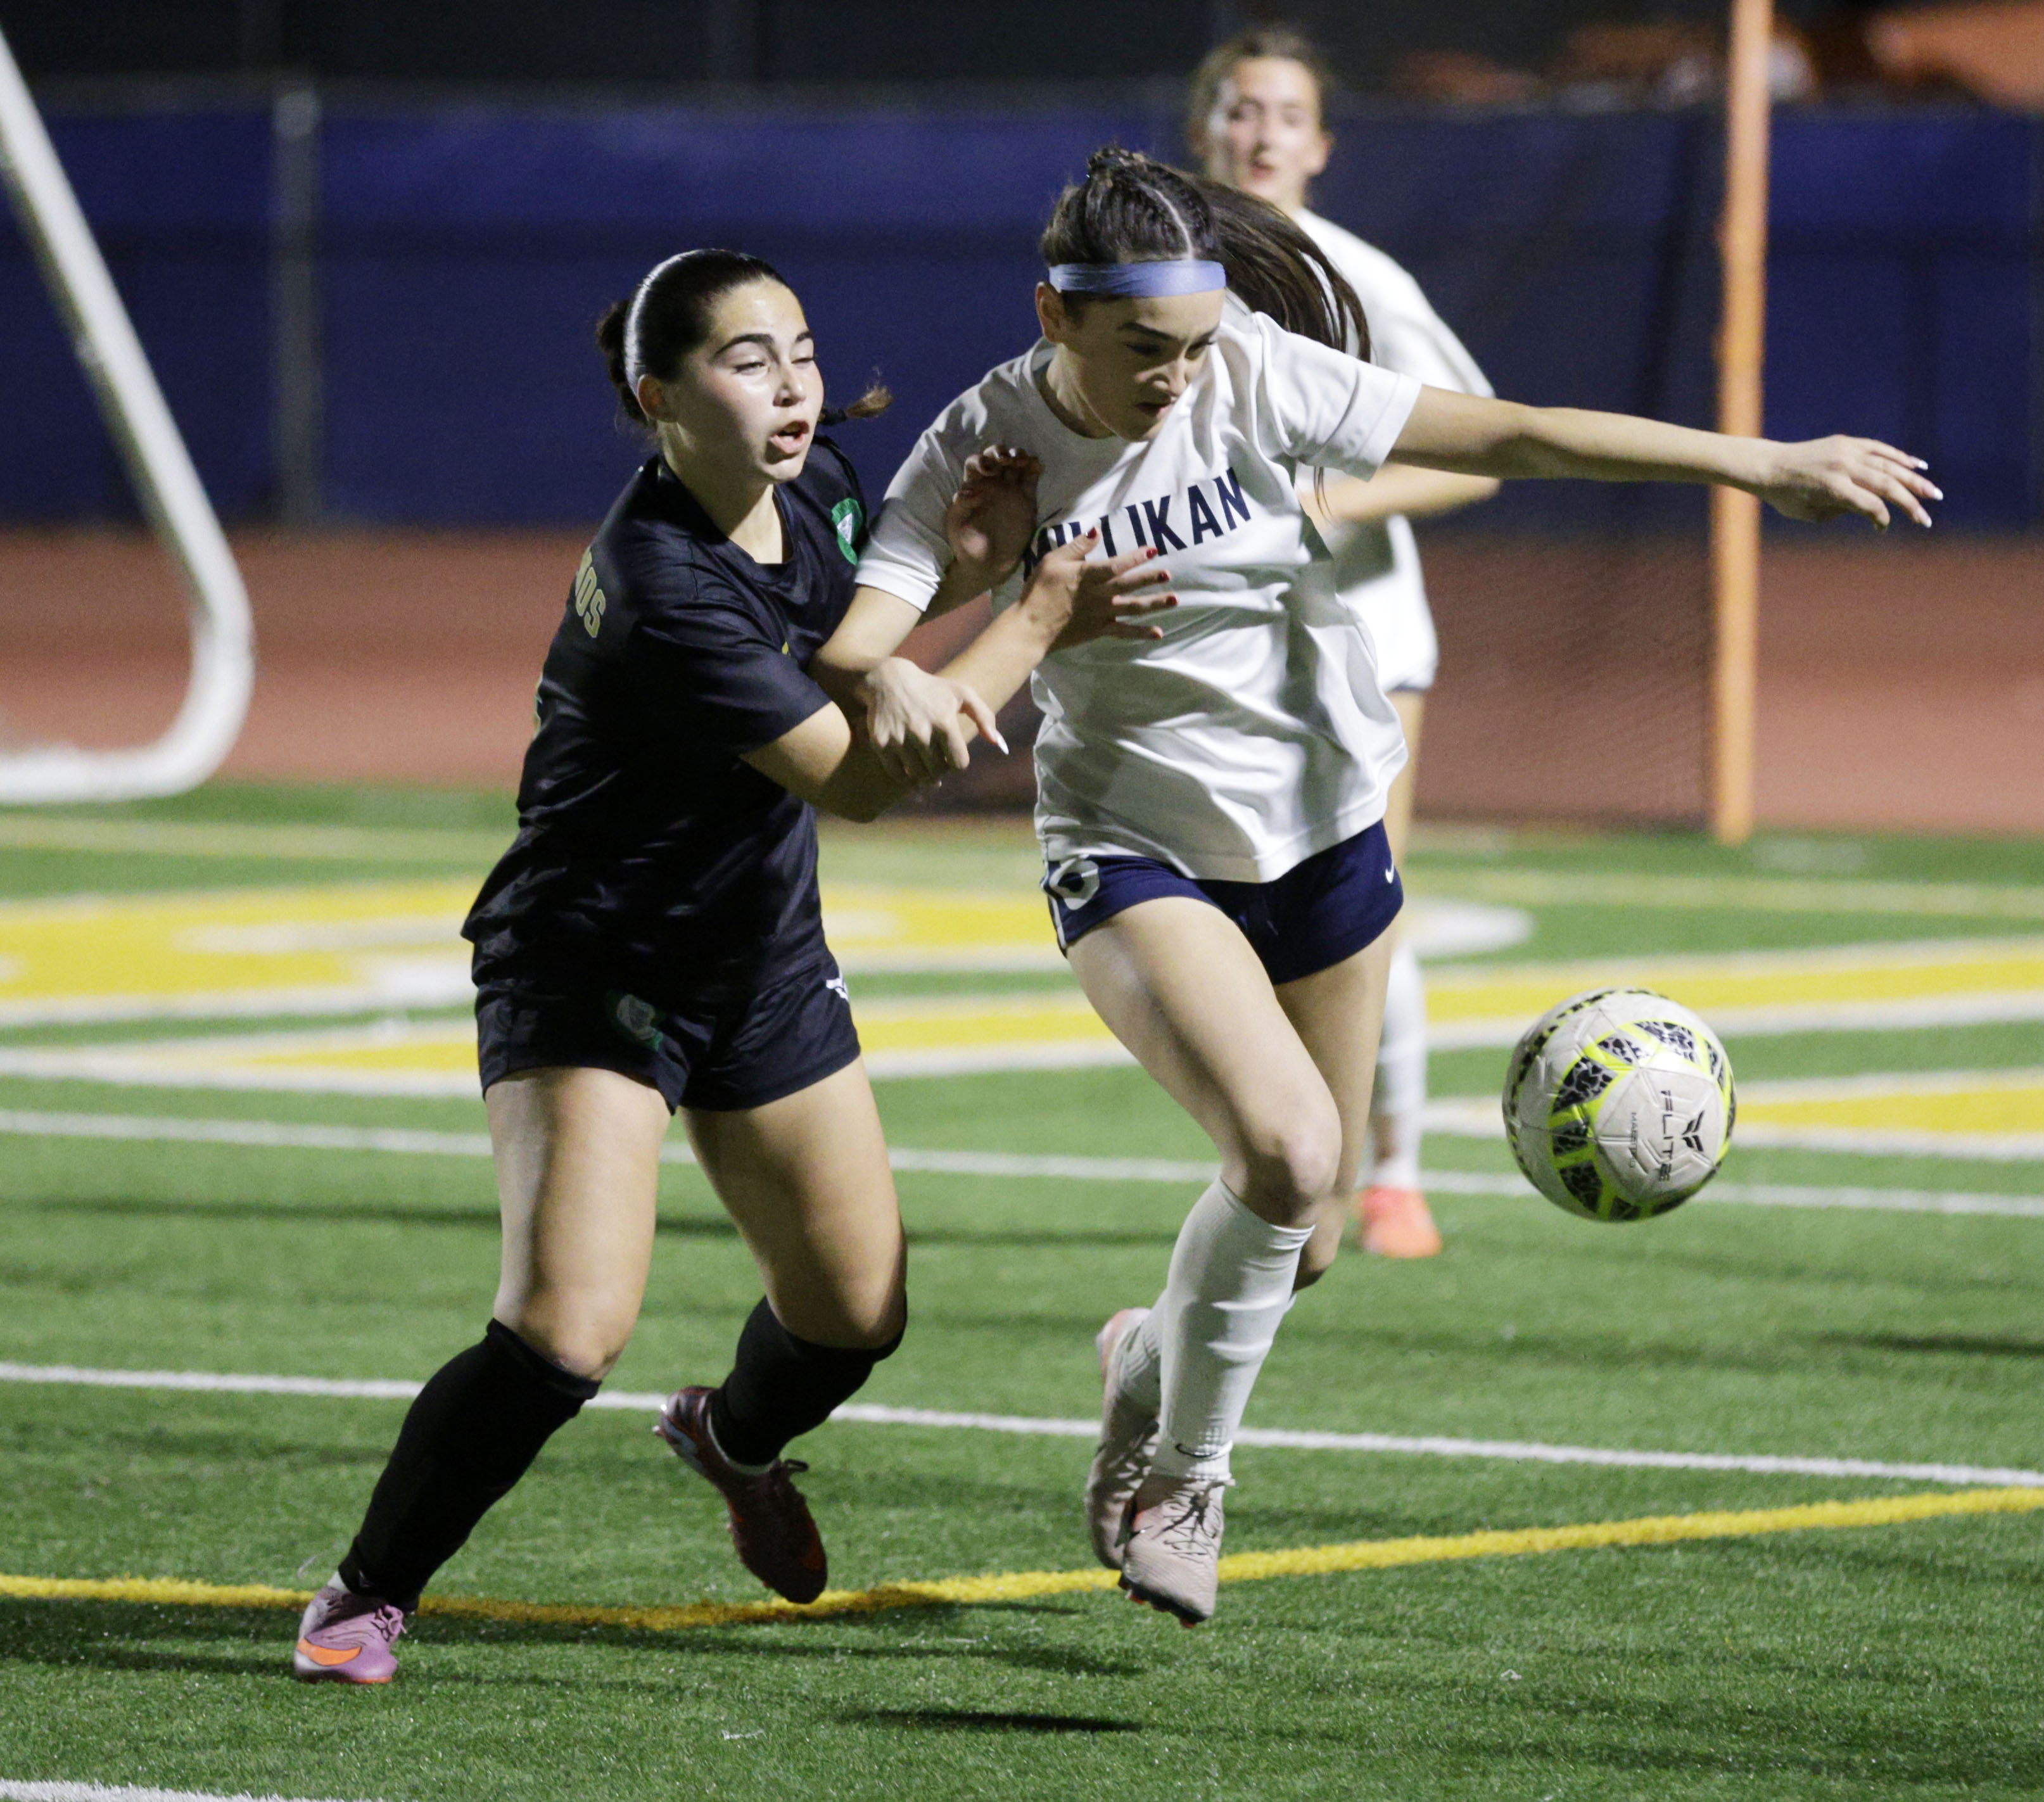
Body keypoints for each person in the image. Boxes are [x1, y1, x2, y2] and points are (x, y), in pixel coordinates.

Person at [822, 148, 1938, 1626]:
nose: (1179, 379)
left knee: (1316, 1232)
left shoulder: (1258, 376)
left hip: (1331, 829)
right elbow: (854, 652)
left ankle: (1142, 1359)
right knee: (1286, 1153)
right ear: (1057, 316)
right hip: (1137, 846)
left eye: (1199, 341)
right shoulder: (985, 439)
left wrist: (1759, 460)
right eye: (1144, 350)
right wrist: (991, 591)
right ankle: (1187, 1482)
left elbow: (1519, 435)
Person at [289, 248, 1170, 1685]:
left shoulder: (812, 491)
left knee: (854, 1316)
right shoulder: (655, 581)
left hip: (756, 957)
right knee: (569, 1326)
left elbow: (838, 653)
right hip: (593, 966)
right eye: (749, 361)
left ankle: (735, 1436)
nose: (794, 384)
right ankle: (364, 1593)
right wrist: (1034, 610)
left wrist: (961, 565)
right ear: (658, 395)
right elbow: (861, 781)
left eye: (804, 350)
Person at [1190, 25, 1501, 1259]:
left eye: (1283, 114)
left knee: (1363, 906)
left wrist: (1333, 499)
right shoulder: (1160, 274)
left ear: (1320, 145)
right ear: (1204, 126)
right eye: (1238, 110)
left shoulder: (1355, 278)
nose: (1258, 133)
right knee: (1235, 919)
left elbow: (1472, 456)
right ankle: (1279, 1160)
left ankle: (1394, 1172)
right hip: (1224, 649)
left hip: (1363, 634)